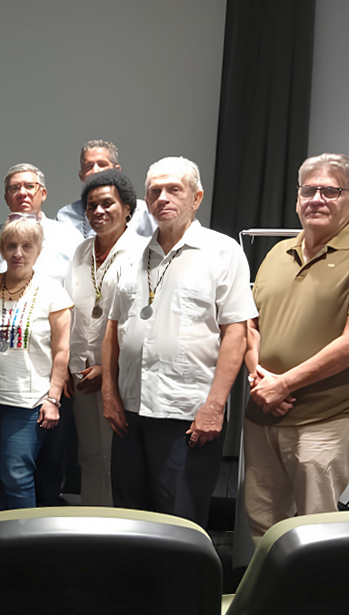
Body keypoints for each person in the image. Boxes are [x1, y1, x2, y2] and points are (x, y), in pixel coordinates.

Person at [102, 156, 256, 528]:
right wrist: (109, 391)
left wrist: (215, 406)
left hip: (187, 413)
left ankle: (179, 589)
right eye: (155, 191)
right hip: (131, 410)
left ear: (196, 197)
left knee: (179, 522)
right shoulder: (129, 254)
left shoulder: (223, 252)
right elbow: (113, 327)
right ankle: (132, 586)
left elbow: (238, 331)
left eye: (174, 189)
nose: (163, 198)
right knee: (129, 515)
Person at [244, 153, 349, 538]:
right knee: (262, 527)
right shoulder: (276, 254)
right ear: (296, 198)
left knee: (315, 532)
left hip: (324, 420)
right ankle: (268, 601)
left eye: (330, 190)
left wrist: (284, 385)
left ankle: (319, 603)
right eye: (309, 190)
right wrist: (260, 379)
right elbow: (249, 325)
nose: (317, 199)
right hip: (262, 415)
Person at [0, 217, 72, 512]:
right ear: (2, 250)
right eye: (11, 246)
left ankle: (22, 549)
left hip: (27, 402)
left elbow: (62, 350)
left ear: (39, 250)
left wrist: (53, 399)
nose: (18, 252)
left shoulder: (53, 292)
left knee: (16, 474)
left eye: (26, 246)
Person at [0, 164, 82, 506]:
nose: (22, 192)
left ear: (43, 193)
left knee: (48, 457)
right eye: (14, 187)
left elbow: (77, 297)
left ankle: (40, 534)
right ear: (6, 195)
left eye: (30, 186)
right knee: (2, 463)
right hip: (5, 364)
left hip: (50, 359)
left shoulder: (69, 236)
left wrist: (67, 364)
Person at [64, 170, 147, 506]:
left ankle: (115, 532)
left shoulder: (144, 253)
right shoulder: (81, 251)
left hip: (119, 375)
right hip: (81, 372)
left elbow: (137, 320)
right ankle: (90, 526)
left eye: (107, 203)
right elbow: (73, 309)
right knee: (89, 457)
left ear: (127, 207)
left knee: (118, 461)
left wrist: (106, 368)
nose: (98, 211)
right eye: (91, 206)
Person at [55, 139, 155, 238]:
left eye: (102, 164)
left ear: (116, 170)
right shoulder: (64, 216)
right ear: (81, 176)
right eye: (89, 166)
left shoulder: (142, 212)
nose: (95, 171)